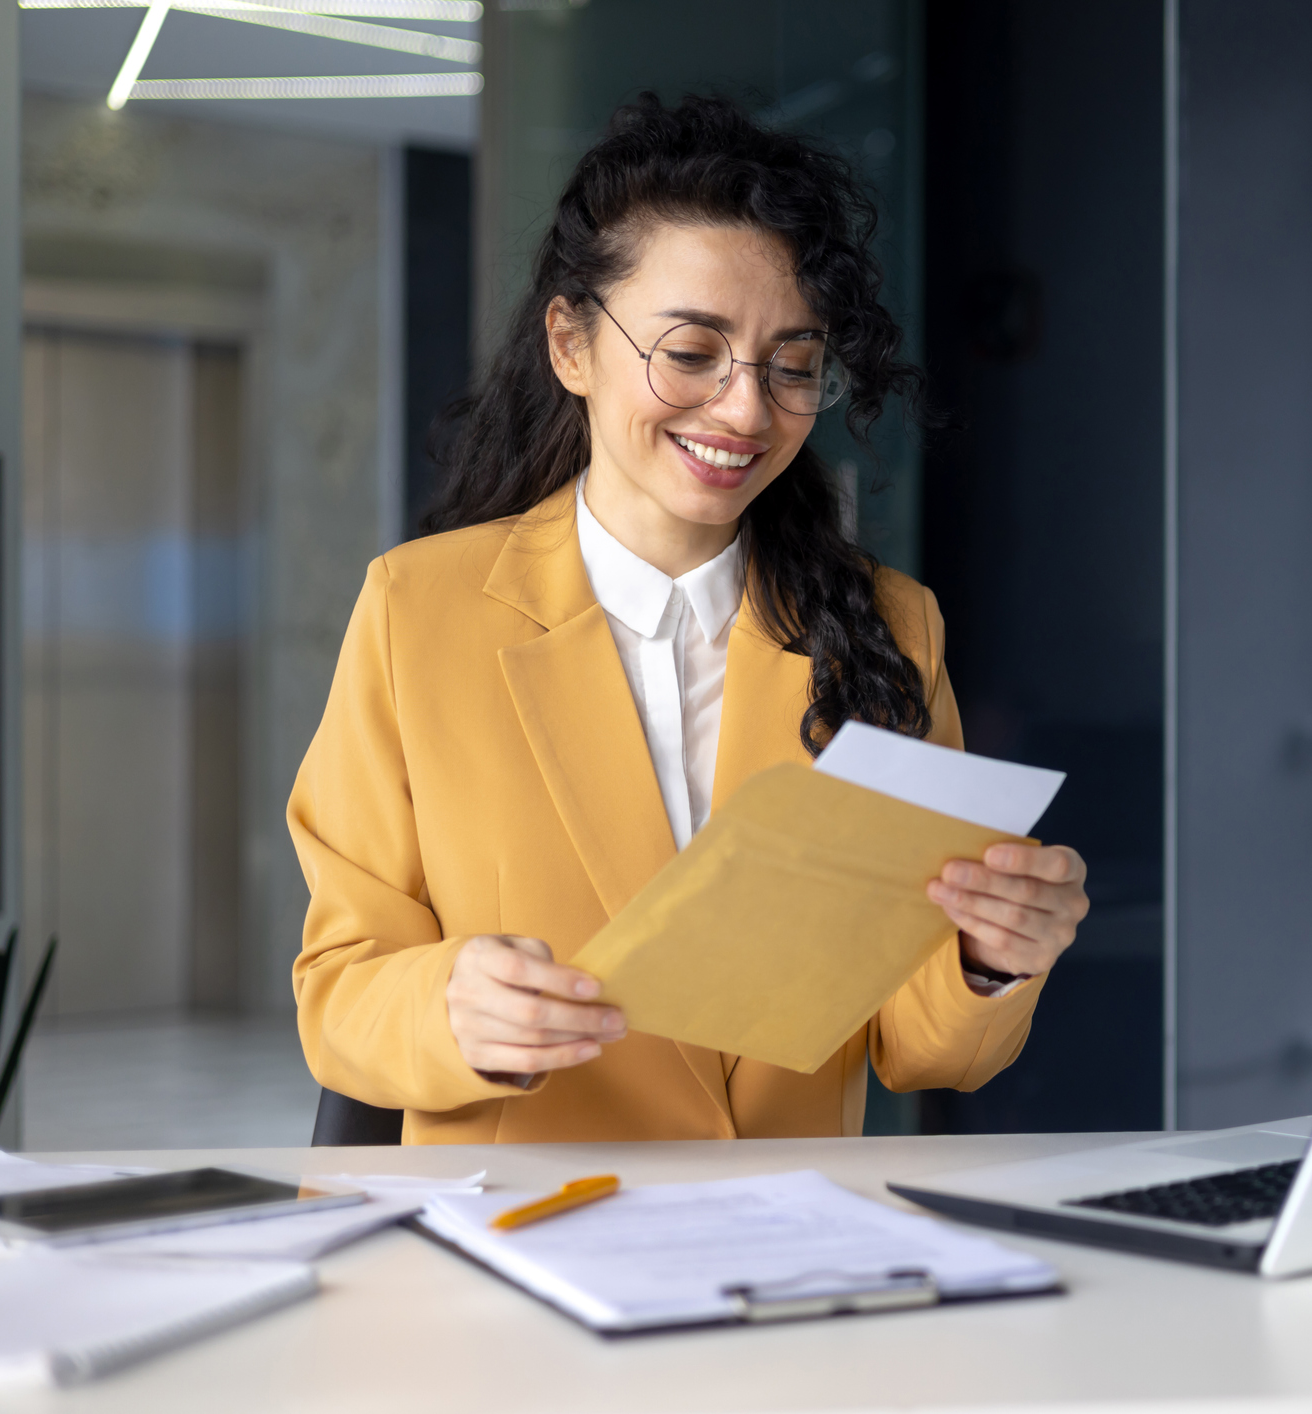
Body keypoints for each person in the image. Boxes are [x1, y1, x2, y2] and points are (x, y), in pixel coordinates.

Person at [288, 94, 1089, 1145]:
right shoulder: (418, 612)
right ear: (571, 345)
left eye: (791, 364)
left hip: (783, 1245)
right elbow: (340, 994)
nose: (747, 410)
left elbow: (917, 1046)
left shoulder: (889, 628)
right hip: (513, 1242)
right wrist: (451, 1004)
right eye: (692, 351)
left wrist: (992, 955)